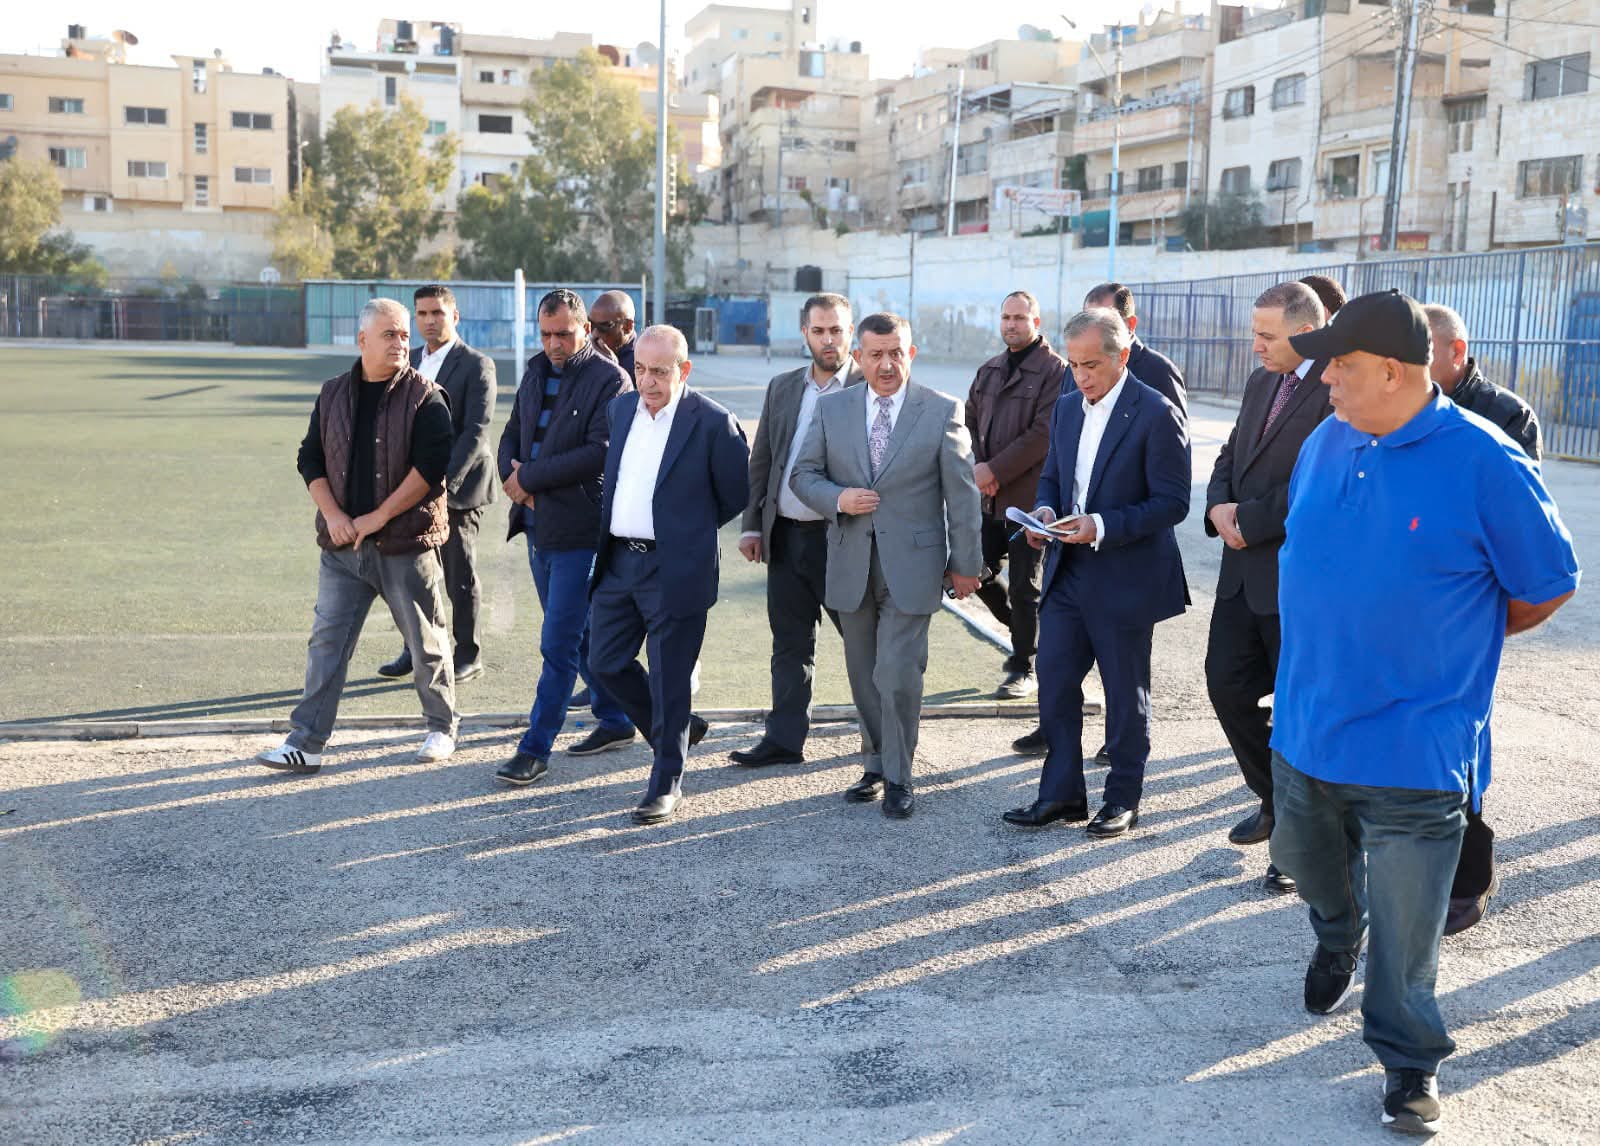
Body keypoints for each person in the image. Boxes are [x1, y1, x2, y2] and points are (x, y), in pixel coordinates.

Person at [1271, 289, 1579, 1135]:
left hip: (1418, 738)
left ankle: (1409, 1063)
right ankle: (1338, 932)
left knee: (1409, 928)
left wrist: (1454, 638)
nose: (1324, 377)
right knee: (1306, 861)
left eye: (1340, 364)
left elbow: (1545, 586)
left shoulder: (1486, 460)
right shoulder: (1327, 439)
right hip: (1306, 721)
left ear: (1392, 372)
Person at [1003, 308, 1190, 837]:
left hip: (1125, 575)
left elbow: (1173, 503)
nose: (1081, 376)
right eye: (1074, 365)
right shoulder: (1066, 408)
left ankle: (1122, 799)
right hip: (1067, 570)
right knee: (1055, 683)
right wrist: (1044, 512)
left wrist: (1101, 525)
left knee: (1125, 696)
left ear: (1122, 356)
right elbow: (1052, 477)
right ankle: (1061, 794)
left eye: (1092, 365)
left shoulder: (1155, 411)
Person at [789, 312, 983, 820]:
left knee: (897, 673)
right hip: (851, 564)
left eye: (896, 353)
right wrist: (839, 499)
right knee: (864, 675)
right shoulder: (832, 409)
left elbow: (962, 496)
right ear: (859, 357)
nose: (887, 364)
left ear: (910, 354)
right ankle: (875, 762)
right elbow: (802, 475)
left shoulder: (940, 410)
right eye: (875, 354)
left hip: (913, 568)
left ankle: (899, 776)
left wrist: (967, 564)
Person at [257, 298, 458, 774]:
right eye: (390, 335)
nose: (401, 343)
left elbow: (431, 468)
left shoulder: (427, 396)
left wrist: (375, 519)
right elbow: (310, 458)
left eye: (405, 335)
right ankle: (306, 743)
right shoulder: (332, 394)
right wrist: (333, 516)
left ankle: (442, 728)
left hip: (405, 544)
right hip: (343, 550)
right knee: (326, 643)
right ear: (362, 340)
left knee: (426, 641)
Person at [587, 325, 750, 824]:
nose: (648, 381)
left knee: (669, 679)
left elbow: (735, 494)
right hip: (619, 561)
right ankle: (677, 729)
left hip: (675, 567)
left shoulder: (714, 422)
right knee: (604, 661)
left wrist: (686, 531)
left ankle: (665, 784)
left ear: (684, 369)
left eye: (659, 371)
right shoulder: (620, 410)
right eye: (640, 369)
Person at [1204, 282, 1333, 895]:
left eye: (1266, 335)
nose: (1255, 345)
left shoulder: (1335, 386)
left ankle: (1300, 838)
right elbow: (1231, 453)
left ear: (1306, 333)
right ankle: (1277, 800)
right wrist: (1217, 506)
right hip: (1240, 575)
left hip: (1295, 577)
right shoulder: (1261, 381)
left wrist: (1251, 521)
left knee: (1298, 714)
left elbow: (1321, 481)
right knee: (1225, 686)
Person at [1424, 302, 1544, 936]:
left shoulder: (1504, 416)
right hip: (1410, 601)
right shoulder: (1398, 408)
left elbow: (1521, 523)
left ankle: (1470, 875)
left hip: (1468, 600)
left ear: (1457, 351)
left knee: (1463, 738)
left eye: (1423, 353)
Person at [493, 289, 639, 787]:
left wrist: (529, 480)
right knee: (582, 640)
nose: (554, 343)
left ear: (586, 330)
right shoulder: (535, 370)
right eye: (546, 333)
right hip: (537, 527)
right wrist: (511, 478)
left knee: (557, 644)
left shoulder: (611, 380)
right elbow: (511, 433)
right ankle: (618, 718)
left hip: (579, 531)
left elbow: (600, 451)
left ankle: (534, 748)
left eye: (564, 334)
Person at [732, 293, 864, 767]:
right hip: (786, 537)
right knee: (789, 644)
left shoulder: (869, 387)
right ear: (805, 332)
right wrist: (752, 526)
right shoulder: (784, 387)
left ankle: (884, 742)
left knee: (863, 644)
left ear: (850, 332)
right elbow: (763, 460)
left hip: (844, 541)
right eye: (819, 331)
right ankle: (784, 741)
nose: (829, 340)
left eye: (837, 330)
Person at [377, 285, 497, 683]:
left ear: (454, 316)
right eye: (423, 314)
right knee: (410, 575)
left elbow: (476, 431)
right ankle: (416, 649)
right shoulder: (408, 360)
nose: (430, 321)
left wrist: (443, 485)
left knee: (459, 575)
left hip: (457, 491)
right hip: (410, 488)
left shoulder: (477, 365)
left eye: (438, 313)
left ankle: (468, 654)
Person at [965, 290, 1066, 700]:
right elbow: (969, 423)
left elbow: (1044, 434)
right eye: (1006, 317)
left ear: (1036, 323)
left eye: (1020, 318)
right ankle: (1029, 635)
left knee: (1026, 586)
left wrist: (995, 470)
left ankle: (1023, 666)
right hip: (988, 497)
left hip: (1028, 502)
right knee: (973, 570)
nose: (1011, 324)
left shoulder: (1055, 371)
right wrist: (980, 469)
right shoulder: (989, 370)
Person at [1059, 282, 1188, 419]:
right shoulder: (1072, 370)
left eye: (1105, 323)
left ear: (1131, 324)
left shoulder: (1160, 372)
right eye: (1086, 322)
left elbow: (1172, 428)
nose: (1093, 331)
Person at [589, 290, 638, 379]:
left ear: (627, 326)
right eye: (591, 325)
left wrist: (612, 369)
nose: (594, 334)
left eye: (604, 327)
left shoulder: (642, 362)